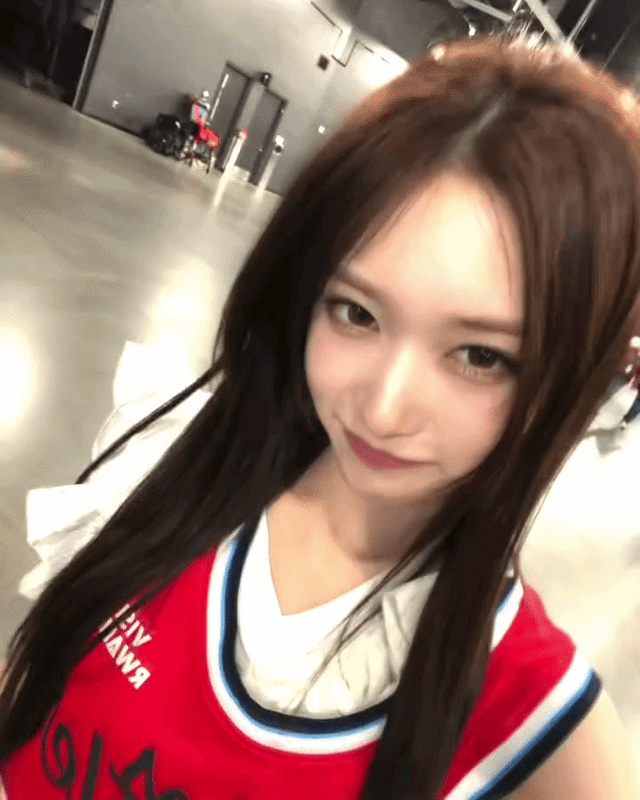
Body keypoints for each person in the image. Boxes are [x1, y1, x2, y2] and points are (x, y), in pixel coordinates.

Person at [1, 34, 640, 800]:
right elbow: (32, 677)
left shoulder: (534, 719)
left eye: (481, 356)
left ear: (572, 378)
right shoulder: (176, 460)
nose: (383, 407)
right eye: (357, 312)